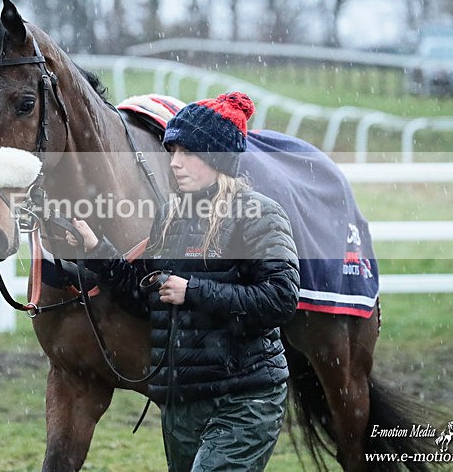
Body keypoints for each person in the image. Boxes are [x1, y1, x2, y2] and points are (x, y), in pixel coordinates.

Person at [66, 92, 300, 471]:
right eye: (171, 151)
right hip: (182, 401)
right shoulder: (168, 217)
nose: (175, 163)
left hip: (246, 398)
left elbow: (280, 300)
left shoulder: (259, 214)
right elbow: (144, 298)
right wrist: (97, 249)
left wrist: (192, 291)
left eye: (188, 153)